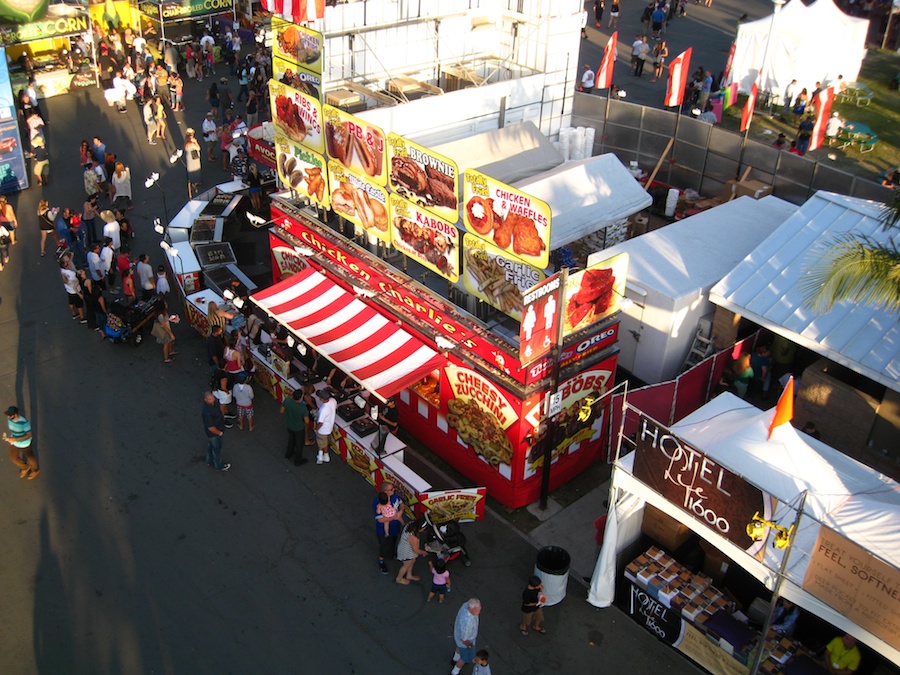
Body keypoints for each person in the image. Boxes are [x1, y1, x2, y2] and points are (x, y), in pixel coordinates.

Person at [374, 481, 405, 575]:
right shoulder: (379, 501)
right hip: (383, 531)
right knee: (384, 546)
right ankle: (381, 561)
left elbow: (402, 504)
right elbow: (380, 520)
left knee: (393, 541)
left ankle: (391, 553)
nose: (394, 490)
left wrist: (401, 511)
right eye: (391, 489)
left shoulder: (395, 496)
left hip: (395, 528)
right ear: (386, 492)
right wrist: (395, 517)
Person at [5, 406, 39, 480]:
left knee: (30, 458)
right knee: (13, 457)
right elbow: (12, 429)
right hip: (15, 442)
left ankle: (35, 470)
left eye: (10, 415)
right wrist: (9, 438)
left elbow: (29, 435)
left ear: (15, 414)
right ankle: (25, 467)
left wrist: (16, 439)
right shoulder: (9, 419)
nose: (8, 416)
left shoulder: (24, 423)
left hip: (25, 443)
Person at [451, 599, 482, 675]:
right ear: (470, 609)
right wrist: (470, 645)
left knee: (459, 647)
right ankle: (455, 671)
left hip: (457, 634)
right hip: (466, 640)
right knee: (465, 657)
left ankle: (455, 658)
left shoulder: (466, 605)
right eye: (477, 610)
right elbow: (464, 640)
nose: (479, 612)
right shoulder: (467, 623)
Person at [201, 391, 230, 472]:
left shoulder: (213, 404)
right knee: (217, 450)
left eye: (213, 398)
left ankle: (209, 460)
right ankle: (219, 466)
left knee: (211, 446)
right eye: (210, 399)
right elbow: (211, 427)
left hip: (213, 432)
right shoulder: (207, 411)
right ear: (205, 400)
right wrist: (219, 433)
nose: (212, 400)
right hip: (214, 433)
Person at [281, 388, 311, 465]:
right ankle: (297, 461)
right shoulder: (302, 408)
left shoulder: (287, 401)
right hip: (299, 428)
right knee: (299, 445)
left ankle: (288, 454)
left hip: (289, 425)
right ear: (301, 398)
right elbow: (307, 421)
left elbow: (281, 411)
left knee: (291, 440)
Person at [395, 519, 429, 585]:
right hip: (406, 553)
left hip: (406, 548)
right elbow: (416, 550)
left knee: (412, 561)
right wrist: (424, 552)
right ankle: (398, 579)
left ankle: (409, 575)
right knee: (405, 566)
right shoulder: (413, 537)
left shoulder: (410, 524)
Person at [315, 388, 337, 464]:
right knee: (323, 442)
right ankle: (321, 455)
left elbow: (320, 423)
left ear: (322, 399)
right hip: (329, 427)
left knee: (322, 443)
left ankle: (323, 457)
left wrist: (316, 429)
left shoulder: (323, 409)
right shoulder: (333, 401)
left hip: (323, 429)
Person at [184, 129, 202, 195]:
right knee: (196, 168)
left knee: (191, 168)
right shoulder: (191, 143)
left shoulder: (186, 141)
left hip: (190, 156)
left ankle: (192, 181)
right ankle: (196, 181)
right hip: (193, 156)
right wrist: (196, 142)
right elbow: (198, 148)